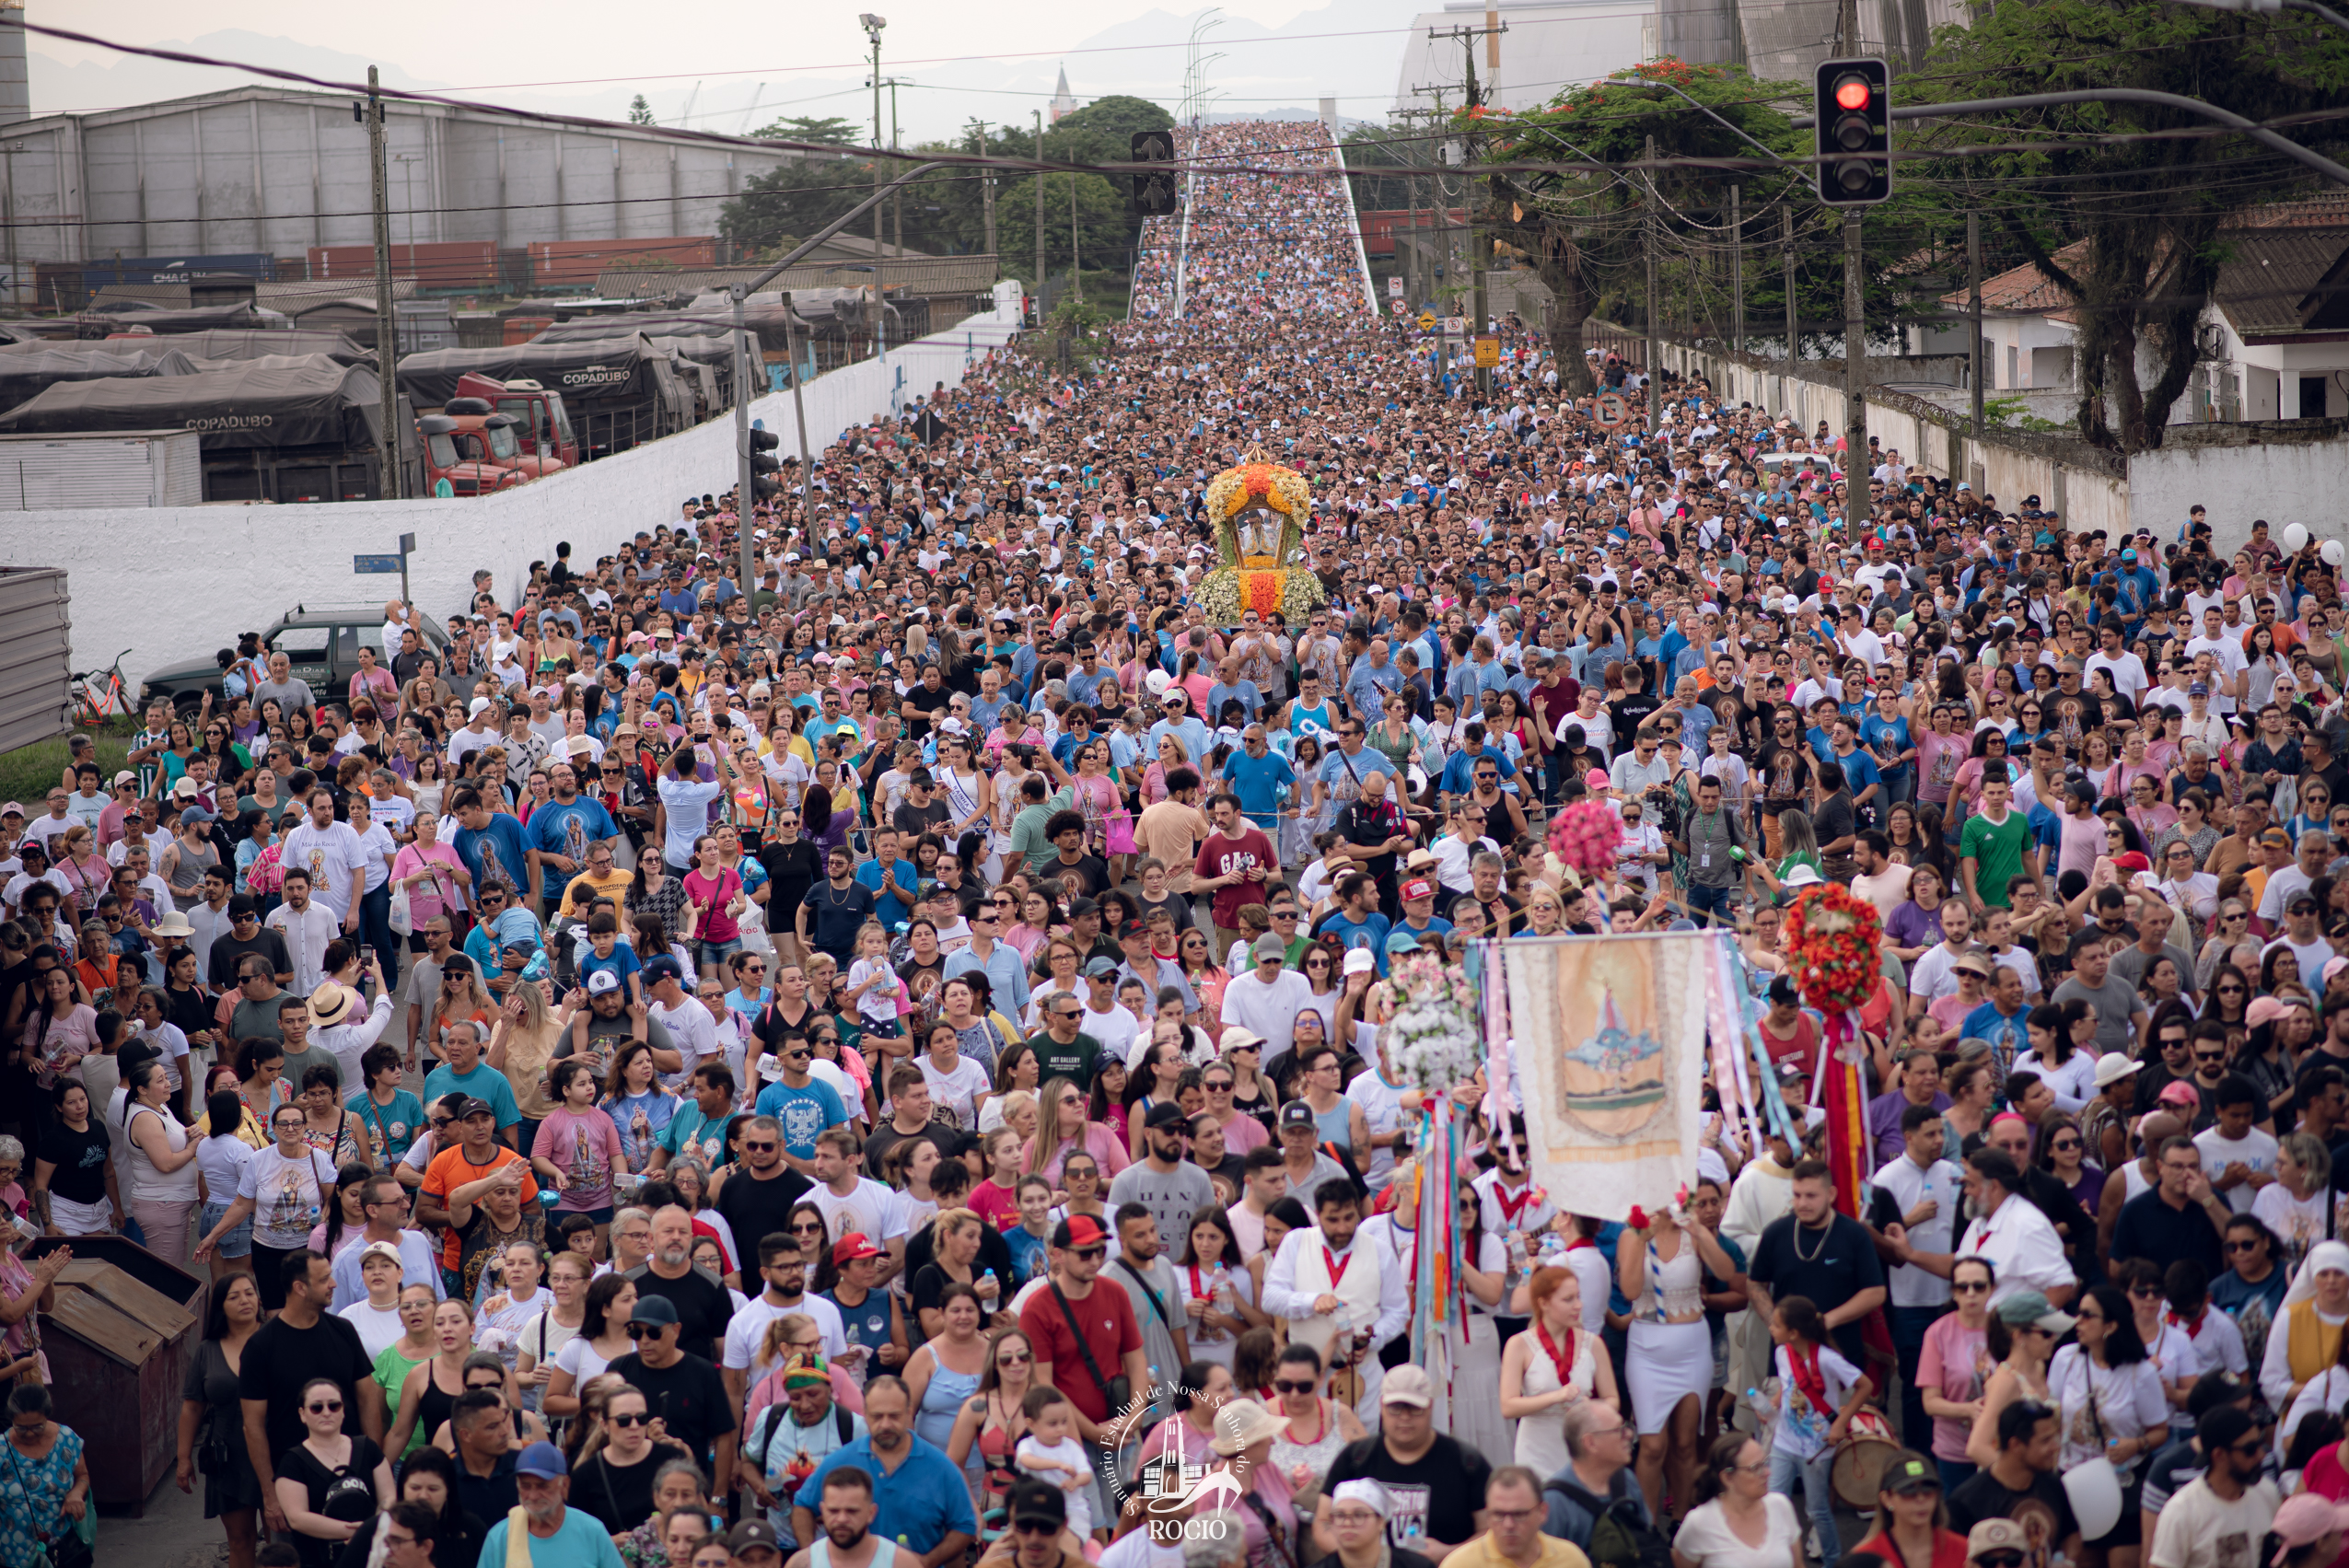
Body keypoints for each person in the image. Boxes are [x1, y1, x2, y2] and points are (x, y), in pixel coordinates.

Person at [791, 1376, 978, 1566]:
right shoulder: (840, 1461)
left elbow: (964, 1526)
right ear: (865, 1414)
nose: (886, 1424)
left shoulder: (942, 1468)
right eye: (877, 1416)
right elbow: (803, 1505)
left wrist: (927, 1562)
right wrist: (814, 1557)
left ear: (909, 1412)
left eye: (894, 1416)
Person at [1315, 1365, 1493, 1563]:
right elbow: (1323, 1521)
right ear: (1381, 1405)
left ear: (1430, 1406)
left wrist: (1449, 1552)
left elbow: (1491, 1530)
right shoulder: (1356, 1458)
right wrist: (1362, 1557)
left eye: (1415, 1408)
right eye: (1396, 1407)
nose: (1405, 1417)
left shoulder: (1466, 1461)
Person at [607, 1292, 738, 1498]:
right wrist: (642, 1437)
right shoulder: (619, 1370)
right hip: (632, 1488)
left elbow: (723, 1436)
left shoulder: (703, 1373)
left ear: (675, 1331)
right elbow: (602, 1430)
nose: (644, 1340)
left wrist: (718, 1497)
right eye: (636, 1333)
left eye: (654, 1333)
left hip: (688, 1490)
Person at [180, 1272, 267, 1568]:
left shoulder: (276, 1339)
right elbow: (192, 1407)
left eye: (249, 1293)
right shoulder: (208, 1350)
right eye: (234, 1296)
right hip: (227, 1454)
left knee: (279, 1538)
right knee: (240, 1540)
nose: (245, 1300)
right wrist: (183, 1459)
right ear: (221, 1306)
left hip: (276, 1449)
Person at [274, 1373, 394, 1568]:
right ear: (302, 1414)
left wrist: (373, 1529)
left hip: (371, 1555)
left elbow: (388, 1498)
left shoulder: (368, 1449)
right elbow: (297, 1518)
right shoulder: (292, 1462)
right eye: (316, 1407)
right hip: (317, 1559)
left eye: (334, 1405)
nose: (326, 1412)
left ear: (343, 1410)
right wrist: (356, 1532)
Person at [1946, 1400, 2081, 1568]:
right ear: (2015, 1445)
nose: (2055, 1447)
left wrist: (2067, 1562)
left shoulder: (2052, 1483)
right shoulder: (1965, 1503)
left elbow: (2071, 1534)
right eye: (2045, 1441)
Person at [2145, 1403, 2278, 1568]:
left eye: (2260, 1443)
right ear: (2219, 1455)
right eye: (2250, 1449)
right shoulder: (2181, 1511)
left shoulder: (2267, 1493)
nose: (2261, 1455)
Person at [567, 1382, 694, 1536]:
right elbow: (577, 1534)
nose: (634, 1426)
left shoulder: (672, 1457)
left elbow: (699, 1514)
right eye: (623, 1420)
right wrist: (610, 1542)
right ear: (604, 1425)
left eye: (641, 1418)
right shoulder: (585, 1475)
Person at [478, 1441, 629, 1568]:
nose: (533, 1495)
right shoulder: (499, 1538)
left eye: (542, 1486)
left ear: (565, 1485)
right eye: (525, 1486)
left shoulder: (592, 1531)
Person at [1671, 1431, 1805, 1568]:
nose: (1767, 1472)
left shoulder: (1781, 1506)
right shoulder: (1699, 1522)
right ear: (1728, 1477)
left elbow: (1798, 1565)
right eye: (1756, 1468)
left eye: (1765, 1463)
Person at [0, 1382, 89, 1568]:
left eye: (37, 1427)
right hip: (13, 1553)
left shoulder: (67, 1439)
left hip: (60, 1549)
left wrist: (75, 1493)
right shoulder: (2, 1448)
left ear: (47, 1417)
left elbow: (82, 1476)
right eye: (21, 1428)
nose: (30, 1434)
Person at [1844, 1452, 1969, 1568]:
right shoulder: (1866, 1559)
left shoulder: (1965, 1551)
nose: (1920, 1499)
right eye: (1908, 1491)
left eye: (1928, 1489)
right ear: (1887, 1499)